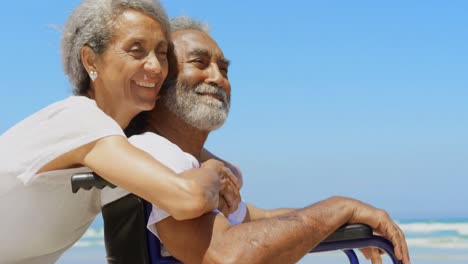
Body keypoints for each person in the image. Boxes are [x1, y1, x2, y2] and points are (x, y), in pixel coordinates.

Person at [116, 16, 410, 264]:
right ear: (159, 78)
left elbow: (260, 220)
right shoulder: (156, 153)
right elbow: (224, 256)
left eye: (224, 69)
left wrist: (347, 220)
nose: (218, 78)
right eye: (200, 63)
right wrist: (339, 207)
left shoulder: (198, 166)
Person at [0, 1, 240, 263]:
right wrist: (214, 171)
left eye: (161, 53)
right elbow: (187, 198)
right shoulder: (80, 121)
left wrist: (223, 172)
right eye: (136, 51)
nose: (155, 67)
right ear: (91, 60)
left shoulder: (116, 138)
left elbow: (219, 169)